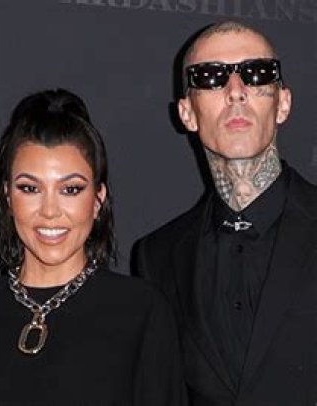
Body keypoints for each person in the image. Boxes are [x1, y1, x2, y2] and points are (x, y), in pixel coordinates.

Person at [0, 89, 185, 405]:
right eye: (30, 188)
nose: (49, 211)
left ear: (98, 199)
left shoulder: (141, 314)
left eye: (71, 189)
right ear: (8, 198)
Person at [133, 21, 317, 405]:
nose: (236, 91)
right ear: (187, 113)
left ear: (283, 103)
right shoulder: (157, 257)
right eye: (211, 77)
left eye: (257, 73)